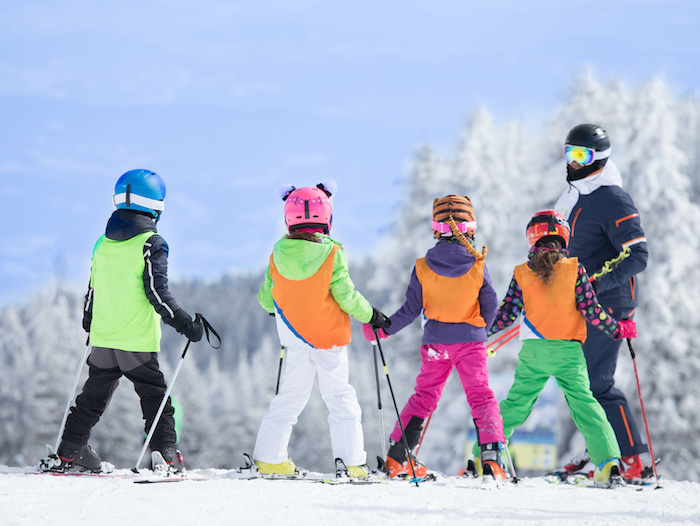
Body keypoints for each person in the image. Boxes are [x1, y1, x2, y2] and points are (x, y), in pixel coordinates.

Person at [53, 169, 203, 473]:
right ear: (155, 206)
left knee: (92, 397)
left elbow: (93, 289)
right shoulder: (152, 243)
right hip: (135, 340)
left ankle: (70, 450)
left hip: (103, 336)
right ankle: (165, 454)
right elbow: (157, 293)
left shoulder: (101, 243)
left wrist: (89, 321)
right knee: (154, 396)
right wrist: (187, 324)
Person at [475, 209, 638, 487]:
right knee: (586, 407)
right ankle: (609, 463)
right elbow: (592, 311)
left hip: (534, 353)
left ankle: (488, 457)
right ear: (564, 237)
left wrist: (478, 332)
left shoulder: (522, 273)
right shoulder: (576, 270)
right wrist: (618, 329)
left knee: (516, 404)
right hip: (569, 354)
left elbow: (506, 314)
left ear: (532, 239)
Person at [363, 195, 507, 481]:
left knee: (424, 397)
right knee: (480, 397)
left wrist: (382, 329)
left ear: (435, 229)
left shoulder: (422, 266)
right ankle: (492, 459)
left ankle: (398, 457)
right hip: (471, 343)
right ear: (470, 228)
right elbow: (490, 306)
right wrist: (480, 332)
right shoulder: (478, 265)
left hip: (436, 345)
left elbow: (410, 310)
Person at [254, 182, 391, 479]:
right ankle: (352, 462)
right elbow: (346, 295)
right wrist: (371, 315)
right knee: (341, 399)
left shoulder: (277, 254)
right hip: (329, 340)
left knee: (288, 398)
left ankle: (269, 458)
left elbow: (266, 296)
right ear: (327, 218)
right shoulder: (332, 254)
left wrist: (277, 304)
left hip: (294, 339)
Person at [554, 124, 650, 481]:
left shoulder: (611, 197)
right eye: (570, 154)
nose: (575, 163)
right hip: (580, 302)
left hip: (607, 302)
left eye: (583, 156)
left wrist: (594, 284)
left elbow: (637, 255)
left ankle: (628, 459)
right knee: (580, 383)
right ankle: (599, 450)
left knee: (597, 384)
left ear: (600, 158)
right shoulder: (576, 195)